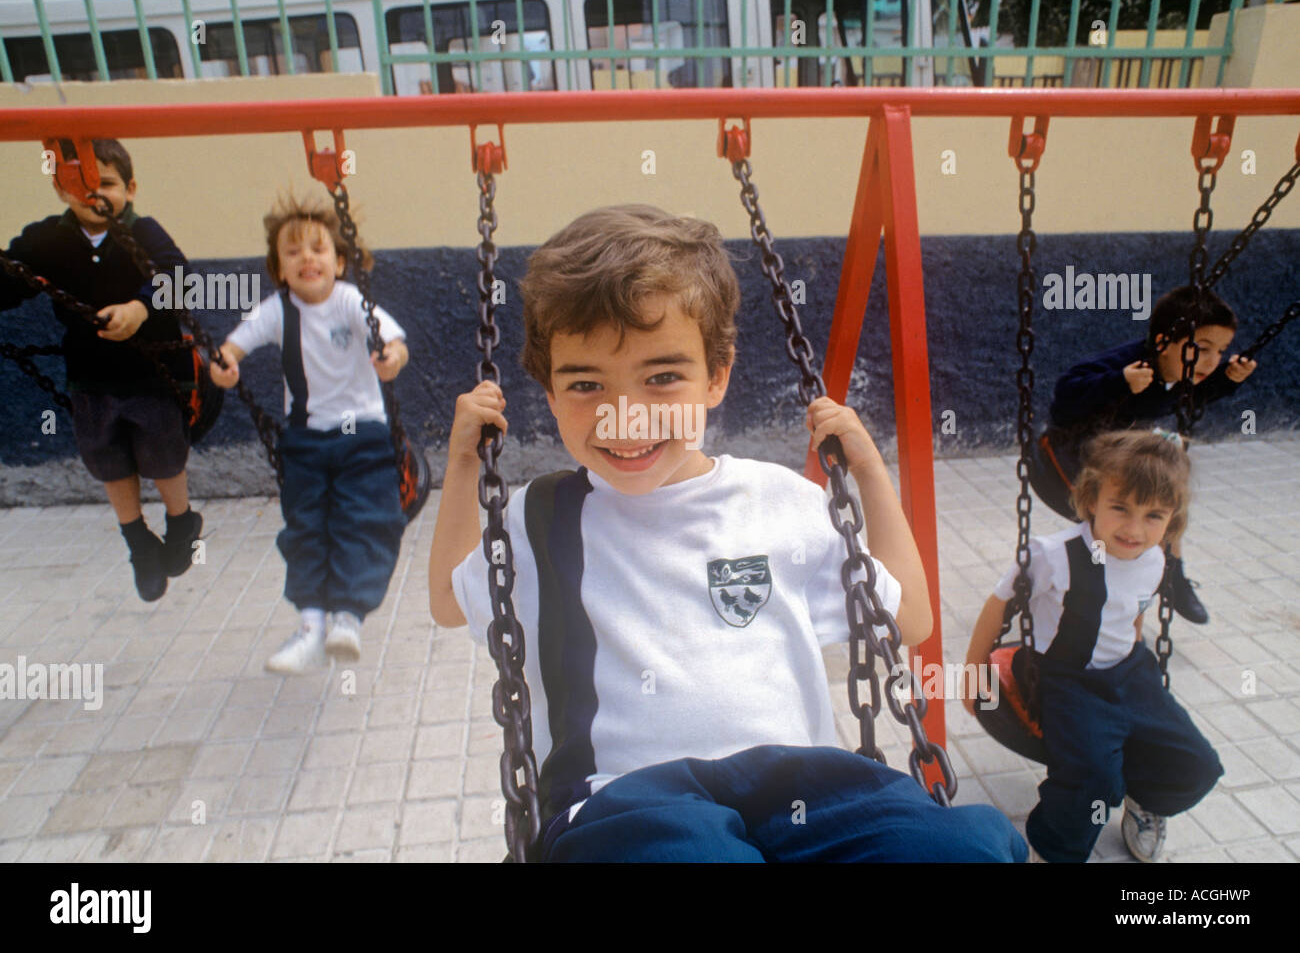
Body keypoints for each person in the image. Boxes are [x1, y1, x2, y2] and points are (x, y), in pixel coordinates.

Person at [428, 204, 1026, 862]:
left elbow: (909, 618)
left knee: (958, 847)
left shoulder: (781, 501)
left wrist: (870, 474)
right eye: (587, 383)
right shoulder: (539, 516)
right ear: (547, 392)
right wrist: (463, 465)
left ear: (717, 375)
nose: (625, 415)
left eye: (662, 377)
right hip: (630, 798)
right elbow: (451, 601)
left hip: (807, 786)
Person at [966, 429, 1223, 863]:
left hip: (1130, 670)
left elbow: (1136, 609)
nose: (1134, 529)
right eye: (1120, 508)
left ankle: (1144, 799)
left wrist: (1135, 657)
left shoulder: (1156, 558)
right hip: (1066, 679)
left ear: (1172, 519)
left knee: (1197, 765)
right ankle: (1054, 848)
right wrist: (972, 678)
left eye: (1154, 515)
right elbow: (998, 606)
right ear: (1091, 501)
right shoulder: (1052, 555)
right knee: (1093, 781)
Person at [210, 194, 409, 675]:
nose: (306, 259)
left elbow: (395, 342)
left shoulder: (350, 300)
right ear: (279, 268)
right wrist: (224, 366)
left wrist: (390, 361)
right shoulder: (277, 310)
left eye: (318, 248)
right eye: (293, 252)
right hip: (305, 440)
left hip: (362, 435)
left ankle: (348, 616)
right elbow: (235, 345)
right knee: (305, 528)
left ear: (339, 262)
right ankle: (310, 627)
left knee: (362, 521)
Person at [1, 138, 202, 602]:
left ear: (129, 189)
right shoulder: (47, 238)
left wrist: (141, 307)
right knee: (107, 460)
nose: (94, 194)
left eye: (106, 183)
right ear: (60, 189)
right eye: (78, 184)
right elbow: (10, 281)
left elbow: (180, 274)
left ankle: (180, 519)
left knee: (164, 456)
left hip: (153, 375)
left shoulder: (143, 231)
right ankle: (137, 542)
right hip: (91, 379)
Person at [1030, 286, 1258, 624]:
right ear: (1164, 342)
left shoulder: (1182, 368)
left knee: (1162, 498)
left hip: (1112, 450)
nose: (1211, 361)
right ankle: (1081, 593)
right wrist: (1119, 382)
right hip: (1061, 455)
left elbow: (1190, 398)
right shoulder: (1134, 363)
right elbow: (1065, 392)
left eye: (1221, 351)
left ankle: (1172, 576)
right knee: (1110, 526)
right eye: (1202, 348)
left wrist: (1228, 380)